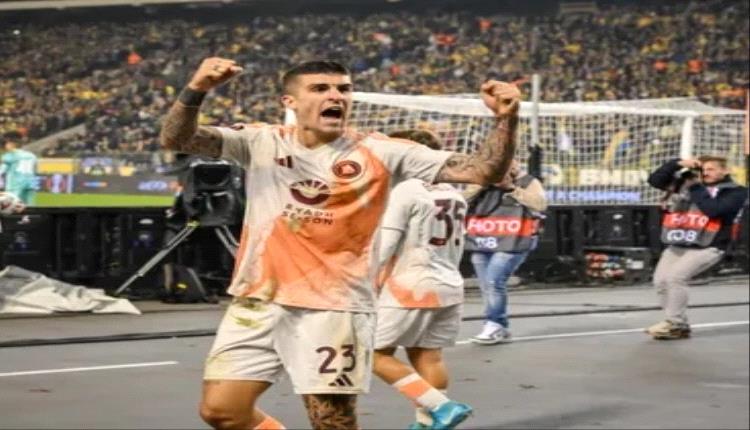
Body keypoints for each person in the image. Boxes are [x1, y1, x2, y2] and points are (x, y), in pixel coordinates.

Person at [159, 57, 520, 429]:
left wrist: (506, 119)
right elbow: (176, 139)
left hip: (333, 306)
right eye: (320, 88)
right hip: (258, 298)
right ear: (290, 102)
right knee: (222, 412)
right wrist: (197, 89)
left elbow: (483, 170)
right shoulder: (261, 141)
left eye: (343, 89)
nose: (336, 96)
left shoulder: (381, 150)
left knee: (332, 422)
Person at [373, 129, 471, 430]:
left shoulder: (405, 190)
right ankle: (427, 425)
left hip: (410, 285)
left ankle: (442, 407)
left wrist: (364, 280)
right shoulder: (454, 193)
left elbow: (385, 245)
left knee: (371, 354)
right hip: (449, 283)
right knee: (428, 355)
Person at [646, 155, 747, 340]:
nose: (705, 173)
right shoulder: (686, 185)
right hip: (680, 241)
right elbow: (655, 180)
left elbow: (714, 210)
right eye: (703, 169)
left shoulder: (736, 191)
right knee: (660, 281)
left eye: (711, 169)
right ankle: (677, 324)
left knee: (676, 278)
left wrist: (695, 187)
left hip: (710, 244)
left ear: (724, 170)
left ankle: (675, 323)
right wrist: (676, 163)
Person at [464, 160, 547, 344]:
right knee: (486, 285)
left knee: (494, 281)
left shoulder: (528, 181)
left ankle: (494, 324)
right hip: (482, 239)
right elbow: (462, 200)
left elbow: (540, 204)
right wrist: (481, 184)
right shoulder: (481, 181)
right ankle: (497, 326)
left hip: (513, 240)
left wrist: (511, 188)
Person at [0, 139, 38, 205]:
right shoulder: (32, 155)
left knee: (12, 204)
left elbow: (2, 170)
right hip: (31, 182)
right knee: (30, 205)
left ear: (11, 145)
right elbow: (35, 169)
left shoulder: (10, 155)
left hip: (16, 183)